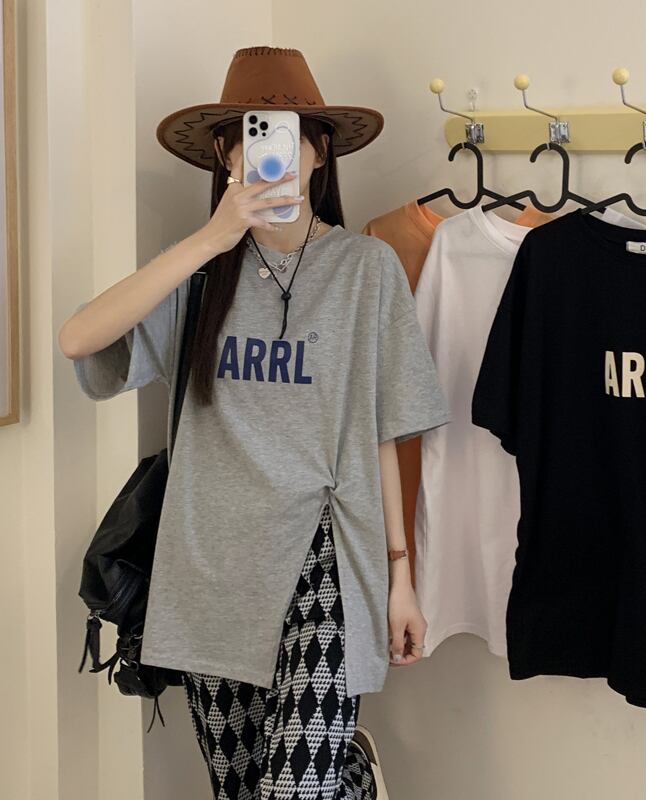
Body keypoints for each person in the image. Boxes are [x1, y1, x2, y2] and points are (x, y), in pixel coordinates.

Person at [59, 46, 451, 800]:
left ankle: (340, 778)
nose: (270, 152)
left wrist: (401, 577)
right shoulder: (198, 273)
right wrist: (212, 239)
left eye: (291, 135)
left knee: (291, 792)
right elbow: (78, 340)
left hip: (326, 557)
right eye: (248, 134)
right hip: (209, 566)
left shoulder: (365, 269)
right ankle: (352, 784)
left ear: (319, 152)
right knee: (240, 789)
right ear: (225, 154)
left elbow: (382, 430)